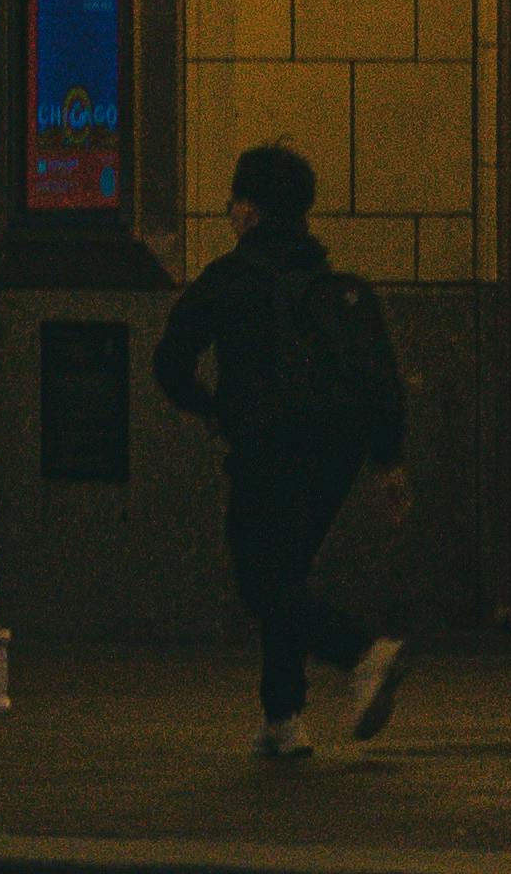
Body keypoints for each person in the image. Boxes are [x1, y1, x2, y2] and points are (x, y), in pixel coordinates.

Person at [152, 142, 409, 761]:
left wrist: (209, 408)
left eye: (235, 202)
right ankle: (283, 717)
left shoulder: (230, 279)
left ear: (250, 210)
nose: (231, 213)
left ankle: (362, 653)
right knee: (287, 570)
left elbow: (170, 360)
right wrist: (388, 461)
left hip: (268, 447)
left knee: (262, 580)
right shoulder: (332, 286)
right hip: (337, 453)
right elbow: (381, 378)